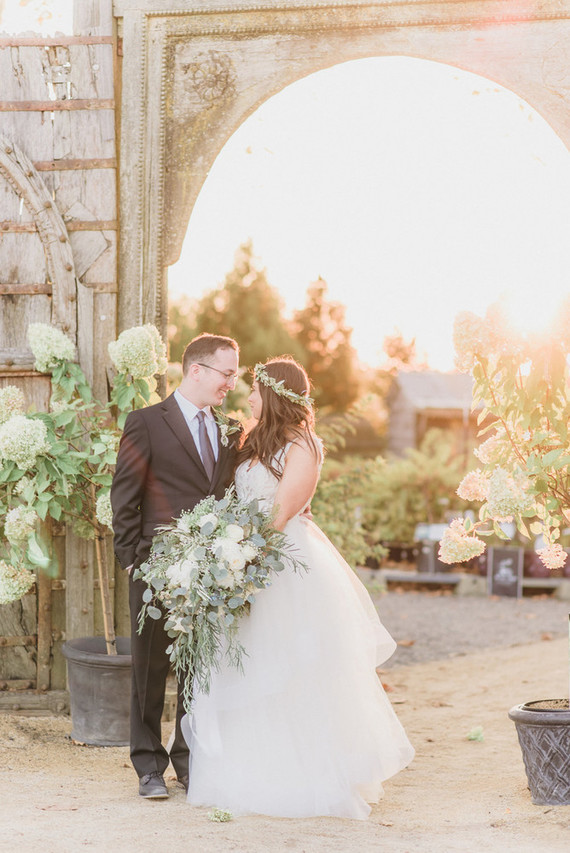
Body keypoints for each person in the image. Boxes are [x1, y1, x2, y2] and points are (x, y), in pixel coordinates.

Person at [183, 357, 414, 819]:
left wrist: (243, 558)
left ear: (274, 393)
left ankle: (304, 778)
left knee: (290, 666)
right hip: (243, 556)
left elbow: (283, 511)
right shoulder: (251, 440)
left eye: (254, 390)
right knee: (247, 666)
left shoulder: (302, 443)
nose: (247, 397)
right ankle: (246, 772)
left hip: (283, 563)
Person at [110, 333, 241, 799]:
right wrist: (132, 561)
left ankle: (187, 760)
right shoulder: (145, 422)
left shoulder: (230, 430)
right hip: (155, 570)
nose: (233, 381)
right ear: (196, 370)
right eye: (227, 372)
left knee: (197, 670)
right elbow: (124, 496)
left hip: (210, 573)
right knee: (148, 671)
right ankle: (148, 766)